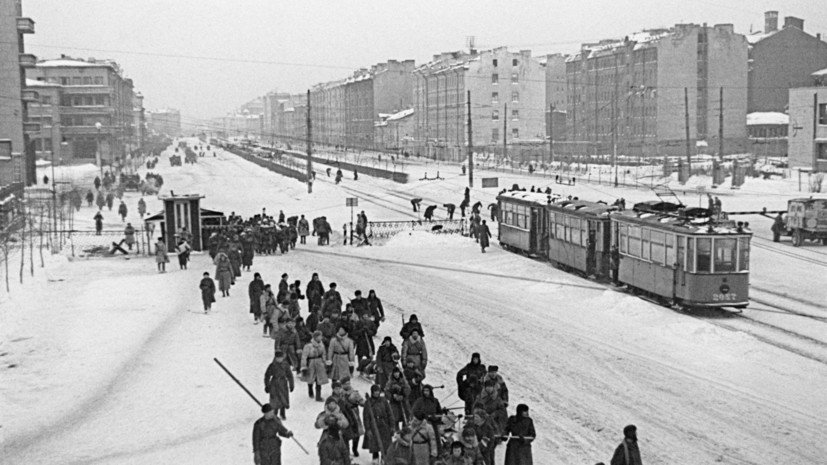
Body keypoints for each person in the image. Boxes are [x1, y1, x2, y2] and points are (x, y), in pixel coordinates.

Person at [363, 384, 394, 463]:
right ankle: (375, 460)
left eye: (378, 391)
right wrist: (368, 429)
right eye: (375, 391)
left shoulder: (384, 401)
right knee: (375, 445)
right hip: (374, 426)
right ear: (372, 392)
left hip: (384, 425)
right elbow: (366, 417)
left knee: (386, 445)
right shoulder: (368, 402)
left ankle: (385, 460)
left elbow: (390, 414)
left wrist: (392, 426)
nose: (376, 393)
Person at [265, 351, 295, 420]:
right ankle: (274, 414)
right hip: (274, 383)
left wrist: (291, 384)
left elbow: (290, 375)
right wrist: (267, 385)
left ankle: (282, 413)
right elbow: (267, 375)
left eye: (281, 357)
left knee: (283, 398)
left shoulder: (286, 365)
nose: (279, 359)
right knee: (275, 399)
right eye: (278, 358)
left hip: (283, 383)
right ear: (275, 358)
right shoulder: (272, 365)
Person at [301, 330, 330, 401]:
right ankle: (310, 389)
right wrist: (304, 366)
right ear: (315, 337)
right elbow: (304, 356)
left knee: (319, 380)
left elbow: (324, 354)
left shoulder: (322, 345)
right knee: (310, 379)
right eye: (319, 336)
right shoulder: (308, 346)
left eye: (321, 336)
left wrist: (325, 363)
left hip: (319, 363)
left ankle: (318, 396)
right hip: (311, 363)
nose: (321, 338)